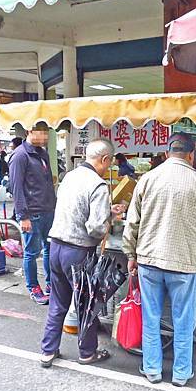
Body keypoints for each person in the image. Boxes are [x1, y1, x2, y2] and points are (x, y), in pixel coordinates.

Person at [122, 132, 196, 387]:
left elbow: (132, 224)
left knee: (152, 316)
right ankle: (181, 373)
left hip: (148, 260)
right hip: (184, 262)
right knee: (183, 319)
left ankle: (152, 369)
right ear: (191, 155)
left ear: (167, 153)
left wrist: (130, 255)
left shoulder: (147, 179)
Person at [40, 139, 126, 368]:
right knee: (86, 304)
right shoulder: (98, 185)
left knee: (58, 302)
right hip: (78, 252)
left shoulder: (70, 176)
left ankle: (48, 351)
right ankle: (87, 353)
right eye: (109, 164)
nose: (108, 168)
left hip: (55, 247)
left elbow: (75, 209)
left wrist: (107, 209)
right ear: (105, 159)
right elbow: (96, 228)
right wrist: (110, 218)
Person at [9, 124, 56, 305]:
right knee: (31, 252)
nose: (45, 137)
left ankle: (51, 284)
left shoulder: (42, 153)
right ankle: (33, 287)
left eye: (46, 133)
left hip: (48, 210)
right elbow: (17, 188)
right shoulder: (20, 155)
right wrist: (23, 216)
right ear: (29, 131)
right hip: (32, 213)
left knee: (50, 250)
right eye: (41, 133)